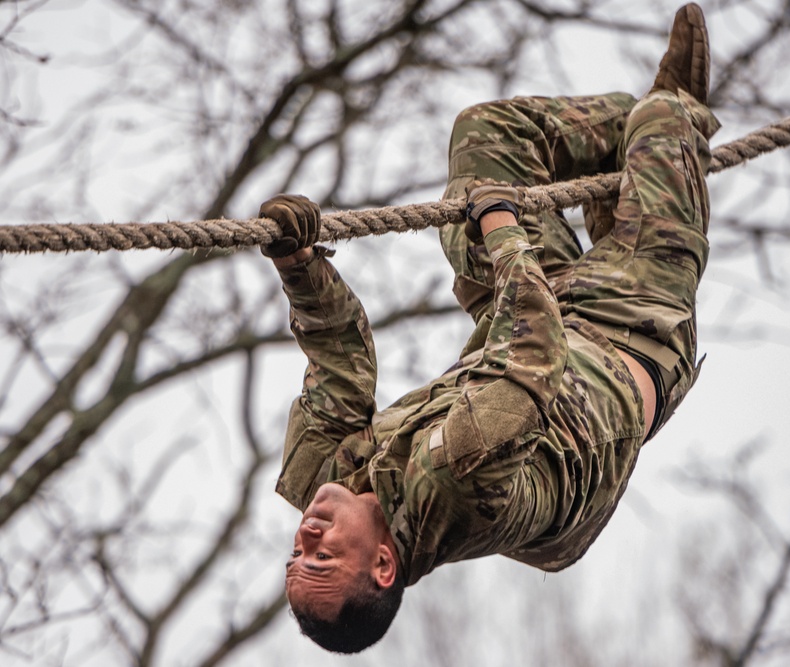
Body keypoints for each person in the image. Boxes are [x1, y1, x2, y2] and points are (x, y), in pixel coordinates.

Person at [262, 2, 721, 654]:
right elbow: (534, 349)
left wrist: (299, 265)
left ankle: (624, 155)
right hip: (630, 333)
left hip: (536, 308)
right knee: (665, 121)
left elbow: (339, 365)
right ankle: (659, 126)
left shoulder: (325, 480)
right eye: (322, 559)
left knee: (486, 134)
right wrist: (502, 229)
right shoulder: (458, 485)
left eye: (295, 556)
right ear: (384, 564)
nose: (304, 537)